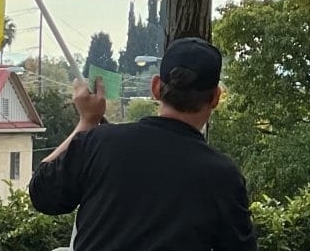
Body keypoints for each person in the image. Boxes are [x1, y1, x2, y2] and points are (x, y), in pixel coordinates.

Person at [28, 37, 257, 251]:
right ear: (215, 97)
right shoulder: (223, 177)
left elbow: (42, 194)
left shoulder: (100, 143)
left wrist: (87, 121)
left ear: (156, 87)